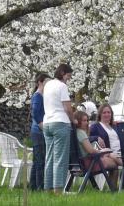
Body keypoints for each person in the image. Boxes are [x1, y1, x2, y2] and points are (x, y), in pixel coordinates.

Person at [43, 64, 76, 194]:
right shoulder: (62, 86)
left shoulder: (48, 85)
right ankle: (58, 191)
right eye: (68, 75)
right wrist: (73, 119)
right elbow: (67, 107)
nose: (69, 79)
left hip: (47, 123)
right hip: (60, 123)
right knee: (60, 158)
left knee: (50, 157)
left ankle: (48, 189)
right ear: (62, 73)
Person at [73, 110, 121, 190]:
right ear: (77, 121)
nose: (87, 123)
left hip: (79, 164)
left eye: (87, 120)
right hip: (88, 163)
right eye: (84, 120)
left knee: (109, 154)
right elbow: (90, 151)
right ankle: (114, 190)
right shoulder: (81, 133)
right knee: (114, 164)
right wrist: (102, 151)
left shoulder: (74, 133)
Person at [29, 72, 50, 191]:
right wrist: (43, 128)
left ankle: (33, 187)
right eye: (46, 82)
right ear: (39, 83)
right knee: (40, 161)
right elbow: (35, 113)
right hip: (38, 132)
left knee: (37, 160)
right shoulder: (37, 96)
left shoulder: (43, 96)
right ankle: (40, 187)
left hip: (38, 131)